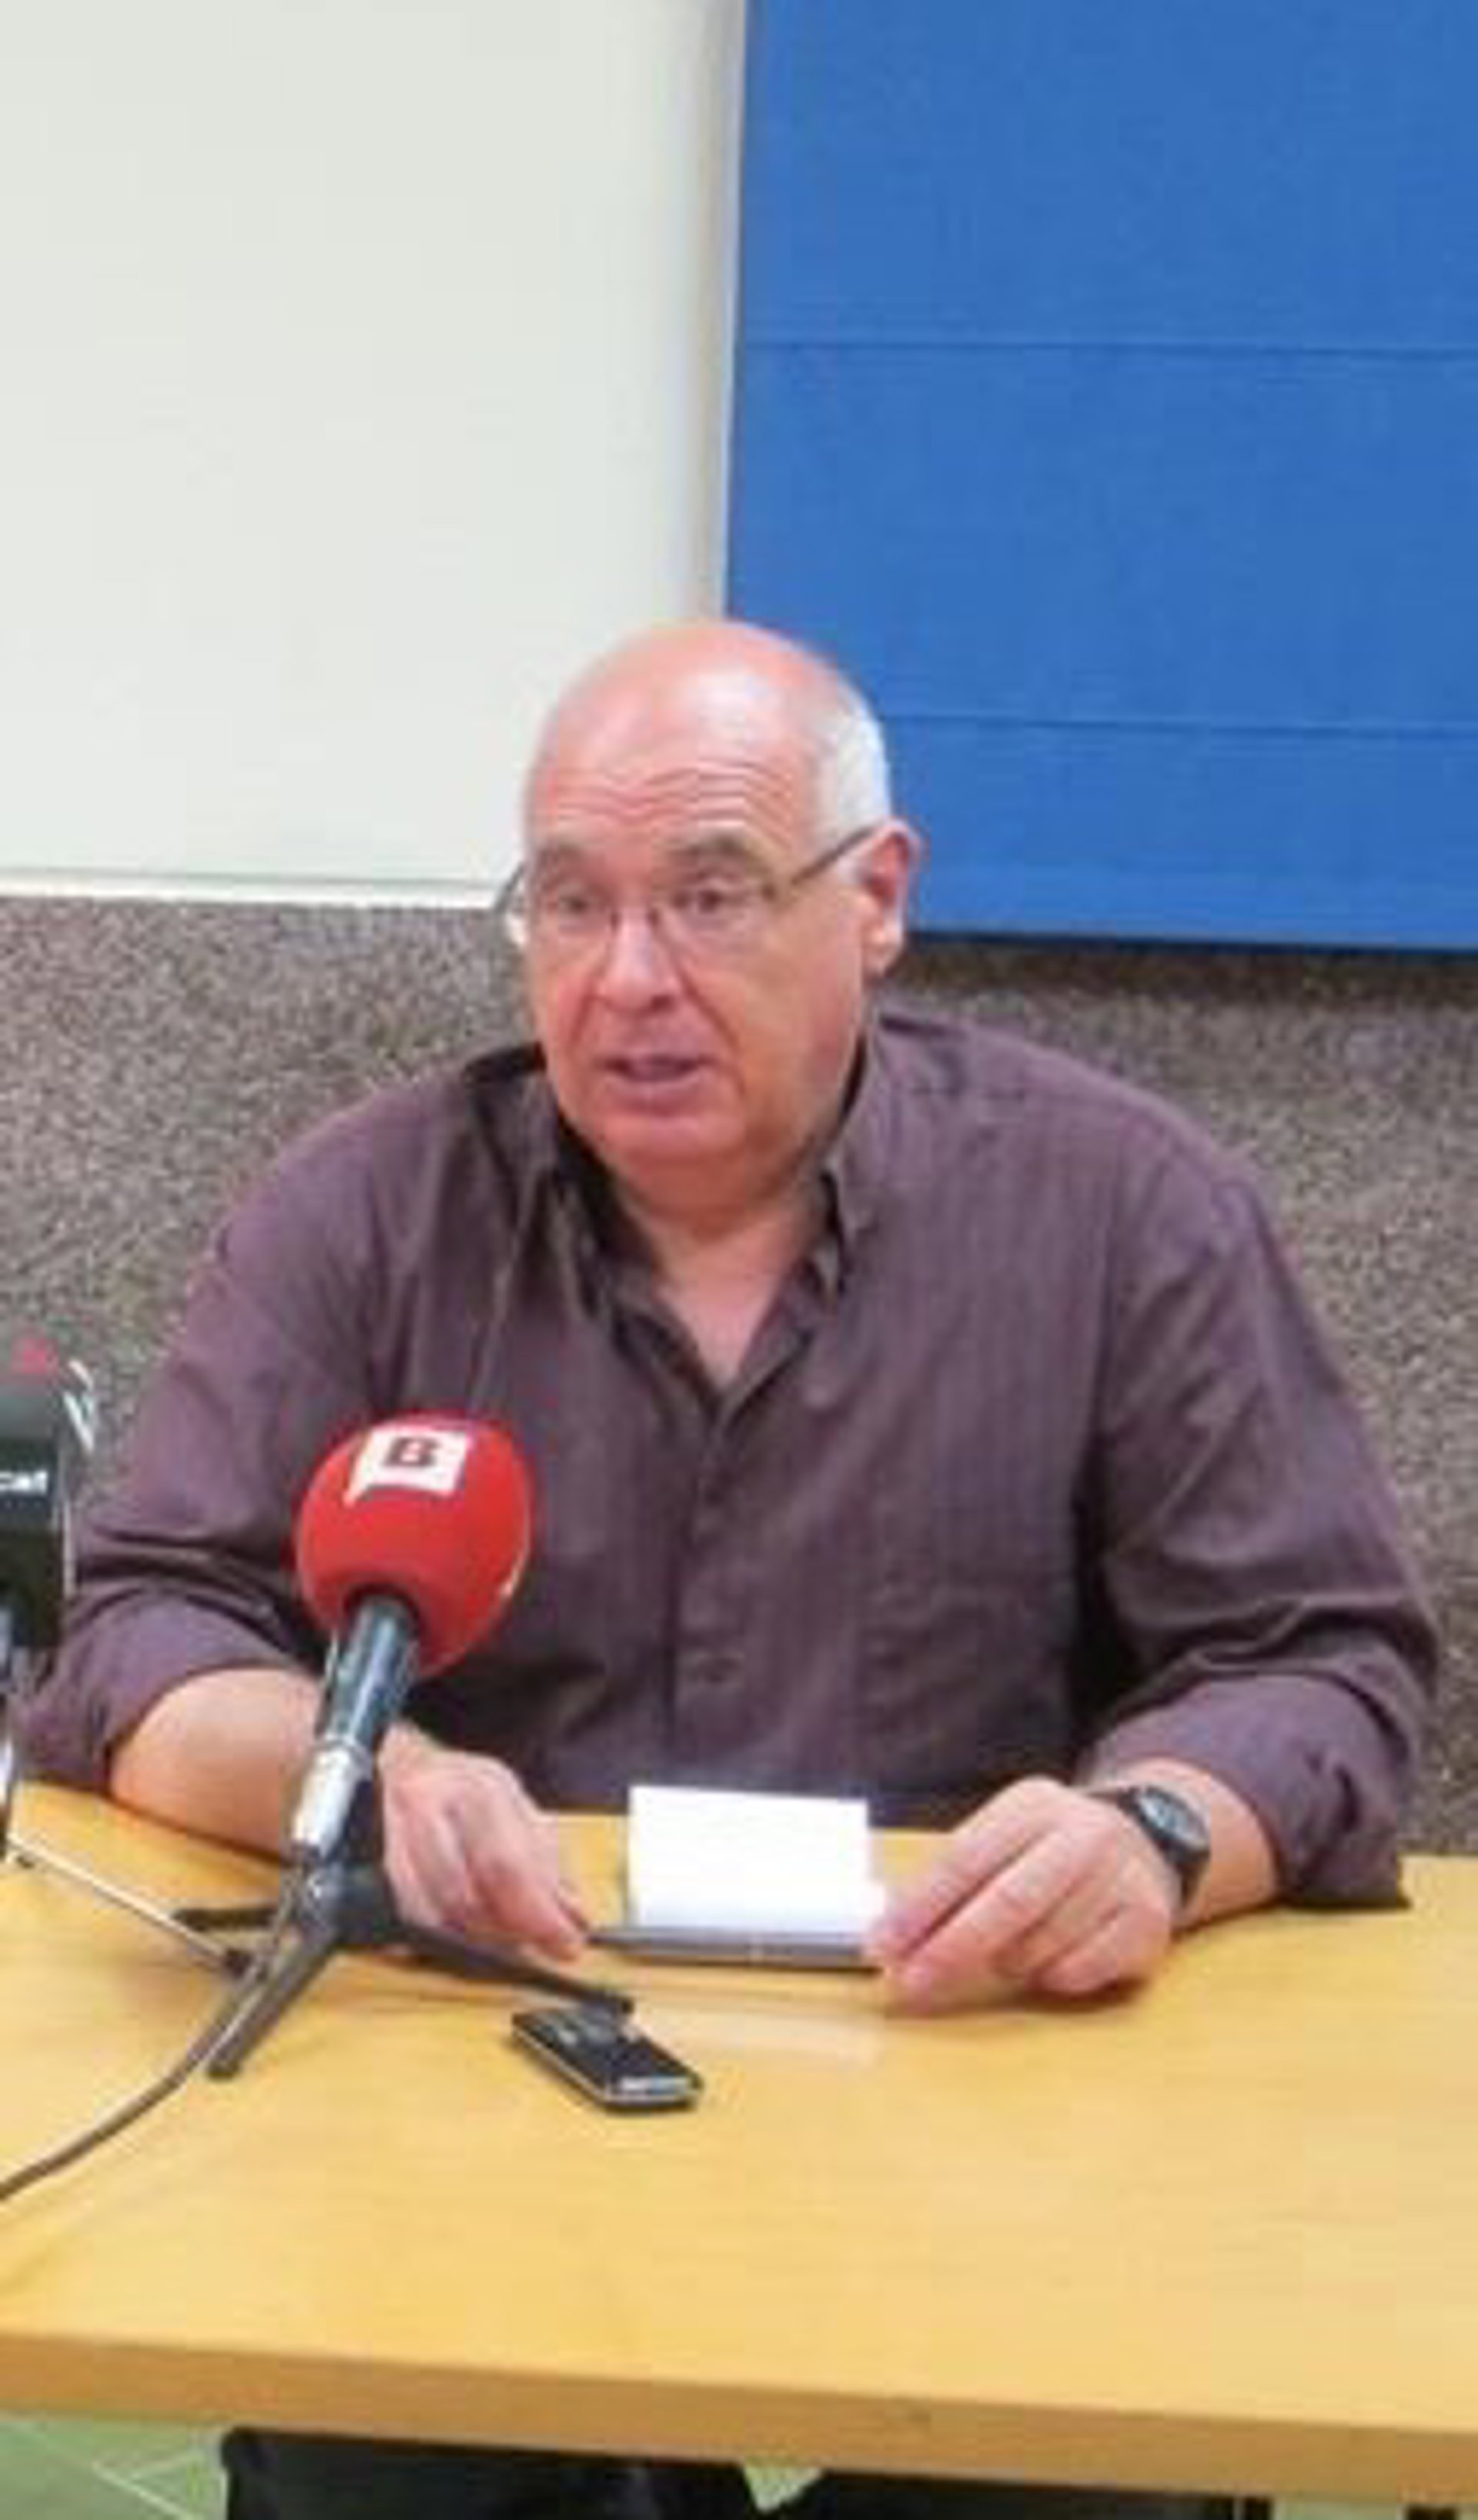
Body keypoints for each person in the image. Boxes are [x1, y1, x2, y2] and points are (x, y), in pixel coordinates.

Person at [29, 619, 1435, 2520]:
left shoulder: (1122, 1208)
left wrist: (1156, 1833)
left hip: (981, 2076)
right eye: (572, 903)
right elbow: (140, 1632)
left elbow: (1320, 1657)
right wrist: (363, 1775)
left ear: (879, 898)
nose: (629, 980)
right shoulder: (368, 1211)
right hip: (477, 2066)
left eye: (709, 895)